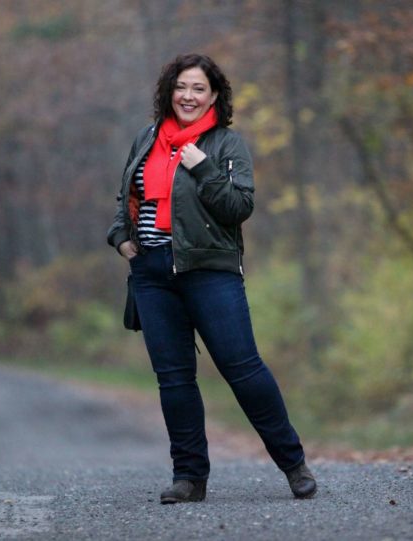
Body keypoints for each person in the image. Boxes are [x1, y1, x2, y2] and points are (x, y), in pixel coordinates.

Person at [107, 53, 316, 503]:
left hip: (209, 271)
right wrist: (120, 237)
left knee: (243, 369)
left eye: (199, 88)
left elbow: (238, 207)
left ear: (214, 96)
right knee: (174, 379)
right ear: (169, 91)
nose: (188, 96)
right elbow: (127, 194)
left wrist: (201, 166)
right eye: (182, 87)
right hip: (151, 275)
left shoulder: (226, 145)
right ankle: (189, 477)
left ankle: (294, 464)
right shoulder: (146, 139)